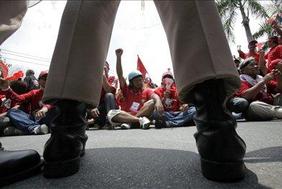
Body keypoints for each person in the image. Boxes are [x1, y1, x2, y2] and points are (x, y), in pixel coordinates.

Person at [2, 1, 246, 182]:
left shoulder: (148, 91)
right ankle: (218, 132)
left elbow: (151, 95)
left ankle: (65, 137)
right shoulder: (125, 88)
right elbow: (116, 81)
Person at [0, 1, 43, 186]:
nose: (45, 82)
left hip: (45, 121)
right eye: (43, 79)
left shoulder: (57, 92)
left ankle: (28, 128)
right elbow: (18, 100)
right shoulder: (34, 92)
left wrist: (47, 108)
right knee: (12, 114)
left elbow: (53, 105)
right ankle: (31, 128)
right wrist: (7, 88)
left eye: (49, 79)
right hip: (31, 121)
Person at [106, 48, 163, 129]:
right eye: (137, 81)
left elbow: (155, 96)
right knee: (111, 113)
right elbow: (120, 74)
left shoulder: (146, 90)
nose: (140, 82)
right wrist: (118, 57)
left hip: (138, 115)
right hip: (126, 115)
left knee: (152, 102)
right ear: (131, 83)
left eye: (141, 80)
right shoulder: (126, 90)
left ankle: (130, 122)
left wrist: (158, 101)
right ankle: (138, 121)